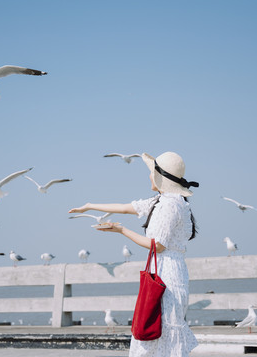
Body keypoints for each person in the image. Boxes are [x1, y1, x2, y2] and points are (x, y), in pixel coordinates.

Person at [69, 151, 199, 356]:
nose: (149, 176)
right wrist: (89, 206)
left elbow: (157, 245)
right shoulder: (165, 200)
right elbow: (124, 207)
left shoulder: (169, 205)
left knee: (159, 327)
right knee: (157, 327)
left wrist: (122, 231)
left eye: (151, 173)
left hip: (167, 273)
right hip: (168, 269)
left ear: (160, 177)